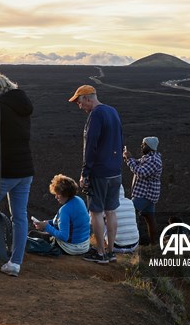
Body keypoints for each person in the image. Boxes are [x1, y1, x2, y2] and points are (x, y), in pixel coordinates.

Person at [69, 84, 123, 264]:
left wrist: (85, 172)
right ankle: (111, 251)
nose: (79, 106)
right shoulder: (112, 111)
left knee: (96, 212)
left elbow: (90, 145)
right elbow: (120, 139)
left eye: (79, 101)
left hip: (100, 172)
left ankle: (100, 253)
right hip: (115, 172)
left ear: (87, 98)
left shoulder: (96, 114)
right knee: (111, 211)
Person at [0, 72, 34, 277]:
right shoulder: (23, 107)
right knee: (20, 217)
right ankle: (15, 262)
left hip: (5, 171)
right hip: (25, 169)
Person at [30, 174, 91, 256]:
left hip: (71, 248)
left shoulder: (64, 210)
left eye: (57, 194)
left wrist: (46, 227)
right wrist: (49, 223)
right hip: (84, 246)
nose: (56, 197)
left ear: (65, 194)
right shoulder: (79, 200)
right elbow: (69, 223)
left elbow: (63, 236)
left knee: (32, 235)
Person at [123, 136, 162, 243]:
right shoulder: (148, 158)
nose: (141, 146)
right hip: (148, 195)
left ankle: (130, 242)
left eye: (143, 144)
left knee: (128, 214)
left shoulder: (154, 160)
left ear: (150, 147)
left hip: (145, 195)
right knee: (150, 219)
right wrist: (128, 158)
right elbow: (137, 163)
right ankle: (154, 245)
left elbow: (141, 173)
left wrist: (129, 160)